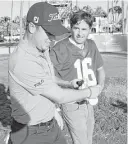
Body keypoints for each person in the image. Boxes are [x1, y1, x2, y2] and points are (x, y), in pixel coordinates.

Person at [8, 3, 102, 144]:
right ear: (32, 27)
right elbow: (60, 96)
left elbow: (49, 78)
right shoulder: (22, 61)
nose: (53, 39)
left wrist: (67, 84)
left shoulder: (42, 48)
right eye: (49, 33)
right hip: (31, 133)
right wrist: (90, 92)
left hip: (50, 126)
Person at [50, 10, 105, 144]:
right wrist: (68, 84)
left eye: (84, 29)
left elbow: (100, 69)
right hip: (71, 103)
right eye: (76, 28)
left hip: (88, 102)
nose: (80, 33)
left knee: (88, 140)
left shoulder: (91, 45)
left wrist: (100, 87)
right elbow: (49, 77)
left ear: (90, 29)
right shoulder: (60, 48)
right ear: (70, 27)